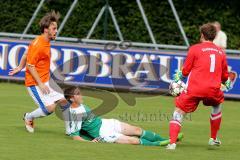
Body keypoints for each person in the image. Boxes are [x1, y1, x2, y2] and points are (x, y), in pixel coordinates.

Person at [166, 23, 231, 150]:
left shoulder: (195, 49)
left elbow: (186, 71)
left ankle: (172, 143)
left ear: (202, 35)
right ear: (214, 36)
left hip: (195, 88)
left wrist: (179, 77)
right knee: (217, 106)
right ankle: (213, 138)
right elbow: (224, 76)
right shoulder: (221, 52)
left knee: (179, 111)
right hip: (213, 89)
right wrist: (226, 81)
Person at [9, 11, 70, 134]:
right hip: (34, 83)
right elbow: (31, 66)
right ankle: (29, 117)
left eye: (56, 28)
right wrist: (41, 84)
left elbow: (27, 54)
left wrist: (19, 67)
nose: (56, 31)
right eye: (54, 28)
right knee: (50, 108)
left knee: (64, 102)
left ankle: (71, 131)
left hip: (45, 80)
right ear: (46, 30)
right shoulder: (39, 44)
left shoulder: (43, 41)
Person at [63, 86, 183, 146]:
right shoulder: (74, 114)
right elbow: (75, 136)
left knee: (137, 130)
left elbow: (70, 130)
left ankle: (166, 140)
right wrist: (91, 142)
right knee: (133, 141)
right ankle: (161, 144)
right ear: (72, 98)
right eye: (78, 94)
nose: (81, 95)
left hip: (105, 123)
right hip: (103, 134)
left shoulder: (79, 106)